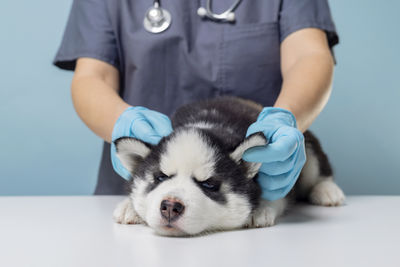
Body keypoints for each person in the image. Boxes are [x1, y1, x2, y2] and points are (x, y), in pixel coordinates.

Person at [54, 0, 338, 200]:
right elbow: (92, 77)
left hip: (251, 189)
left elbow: (309, 55)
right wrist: (122, 123)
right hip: (143, 191)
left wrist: (285, 119)